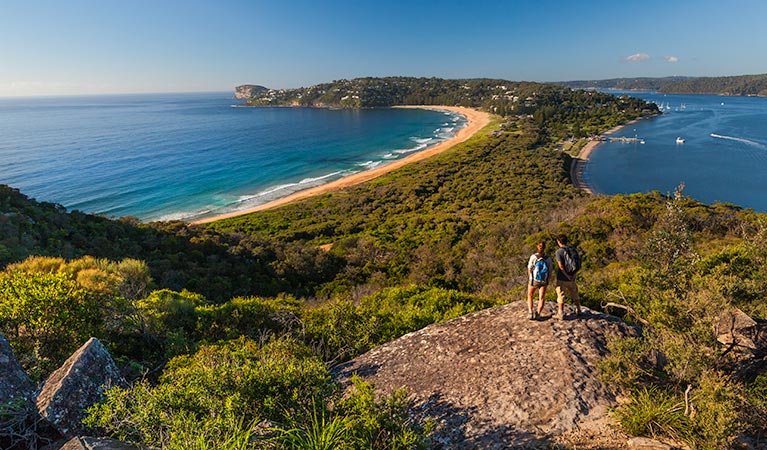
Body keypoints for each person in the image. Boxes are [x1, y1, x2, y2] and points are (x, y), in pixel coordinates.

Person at [554, 234, 581, 319]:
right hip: (572, 277)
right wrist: (573, 275)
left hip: (562, 277)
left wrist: (566, 275)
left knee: (561, 295)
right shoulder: (573, 249)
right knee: (574, 293)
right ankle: (578, 309)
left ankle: (561, 313)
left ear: (559, 242)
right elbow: (578, 264)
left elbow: (561, 266)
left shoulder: (559, 252)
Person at [527, 241, 552, 320]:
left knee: (530, 295)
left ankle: (531, 312)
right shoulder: (548, 258)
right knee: (541, 297)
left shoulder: (533, 257)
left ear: (537, 247)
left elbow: (529, 268)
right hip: (543, 280)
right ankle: (538, 313)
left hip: (534, 280)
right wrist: (547, 280)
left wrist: (531, 277)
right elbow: (550, 271)